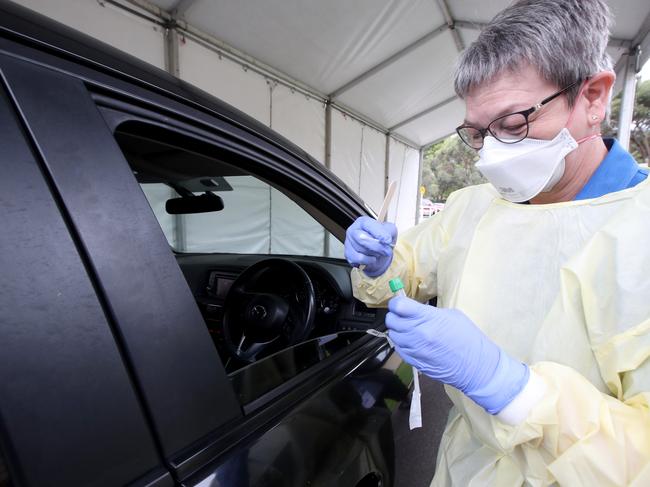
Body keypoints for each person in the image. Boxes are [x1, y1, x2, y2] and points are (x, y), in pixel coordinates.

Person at [344, 0, 650, 485]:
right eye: (477, 133)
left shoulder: (638, 230)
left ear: (593, 97)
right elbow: (403, 278)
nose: (492, 156)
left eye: (513, 125)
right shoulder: (472, 207)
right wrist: (380, 265)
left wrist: (511, 390)